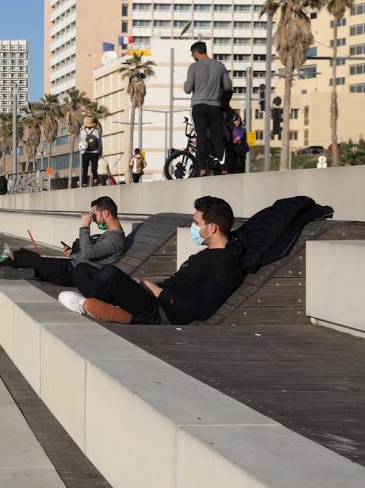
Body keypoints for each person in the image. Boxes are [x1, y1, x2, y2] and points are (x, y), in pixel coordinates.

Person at [59, 196, 243, 325]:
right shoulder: (207, 253)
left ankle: (89, 306)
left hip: (161, 313)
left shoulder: (226, 263)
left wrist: (157, 291)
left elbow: (203, 309)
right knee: (82, 269)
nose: (193, 227)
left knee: (109, 273)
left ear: (211, 228)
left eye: (196, 223)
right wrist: (144, 286)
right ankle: (111, 308)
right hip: (152, 298)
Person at [0, 196, 128, 297]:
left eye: (94, 216)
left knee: (18, 257)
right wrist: (73, 253)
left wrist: (84, 226)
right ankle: (28, 270)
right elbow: (89, 255)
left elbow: (89, 253)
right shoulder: (110, 236)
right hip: (72, 266)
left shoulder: (115, 239)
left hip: (71, 273)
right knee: (22, 253)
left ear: (105, 213)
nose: (93, 219)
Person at [184, 41, 233, 177]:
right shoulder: (220, 66)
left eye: (192, 54)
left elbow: (187, 89)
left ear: (196, 53)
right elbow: (228, 86)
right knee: (217, 138)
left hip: (198, 106)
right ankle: (224, 168)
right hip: (215, 107)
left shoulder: (193, 67)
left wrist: (189, 84)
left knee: (201, 138)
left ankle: (202, 169)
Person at [79, 116, 102, 187]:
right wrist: (100, 151)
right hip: (95, 152)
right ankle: (95, 179)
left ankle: (84, 182)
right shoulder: (96, 131)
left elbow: (81, 143)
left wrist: (82, 152)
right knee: (94, 168)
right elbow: (99, 142)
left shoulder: (82, 132)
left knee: (85, 168)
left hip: (85, 152)